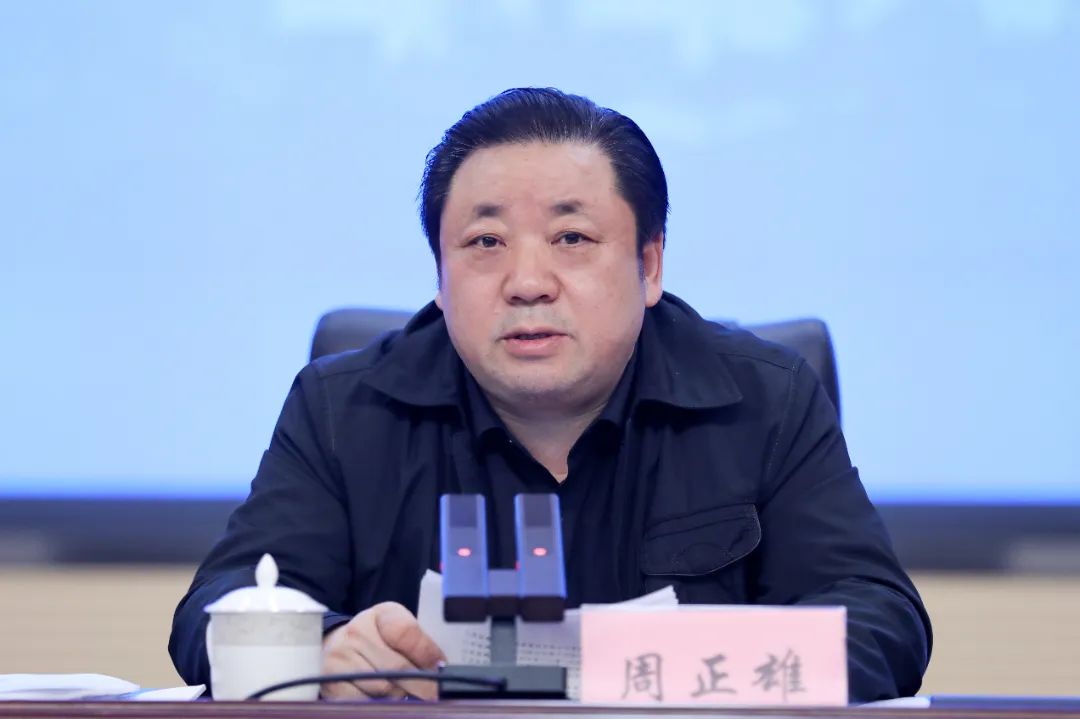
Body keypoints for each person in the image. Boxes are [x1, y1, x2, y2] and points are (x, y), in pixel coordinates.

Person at [169, 87, 931, 703]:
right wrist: (325, 648)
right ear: (439, 277)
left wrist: (671, 663)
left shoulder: (764, 401)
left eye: (571, 239)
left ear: (649, 264)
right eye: (485, 243)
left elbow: (881, 623)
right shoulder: (344, 410)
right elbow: (211, 612)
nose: (528, 282)